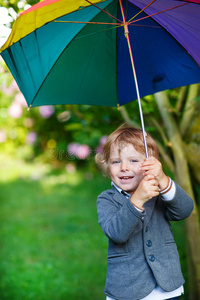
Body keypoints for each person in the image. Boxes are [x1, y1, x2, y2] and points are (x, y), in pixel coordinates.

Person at [95, 124, 193, 300]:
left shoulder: (157, 192)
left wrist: (162, 179)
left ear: (149, 164)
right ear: (108, 167)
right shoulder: (106, 199)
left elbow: (184, 211)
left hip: (166, 288)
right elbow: (116, 233)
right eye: (116, 162)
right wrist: (137, 199)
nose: (124, 167)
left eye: (133, 161)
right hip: (128, 290)